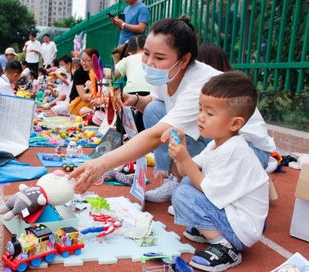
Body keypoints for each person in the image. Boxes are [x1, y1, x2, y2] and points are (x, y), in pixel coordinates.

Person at [70, 17, 275, 201]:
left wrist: (101, 164)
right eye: (146, 54)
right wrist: (133, 99)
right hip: (218, 143)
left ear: (184, 59)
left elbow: (155, 136)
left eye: (159, 58)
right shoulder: (166, 74)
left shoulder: (199, 84)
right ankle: (176, 180)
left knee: (189, 189)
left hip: (247, 152)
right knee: (154, 109)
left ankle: (222, 185)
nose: (149, 63)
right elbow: (155, 103)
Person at [170, 72, 268, 272]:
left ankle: (226, 247)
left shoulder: (235, 151)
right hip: (230, 214)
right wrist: (182, 149)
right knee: (187, 184)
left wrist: (186, 160)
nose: (200, 117)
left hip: (241, 229)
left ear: (235, 123)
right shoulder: (217, 144)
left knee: (183, 194)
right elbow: (184, 171)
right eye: (200, 109)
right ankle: (209, 230)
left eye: (210, 113)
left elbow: (208, 190)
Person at [114, 34, 151, 132]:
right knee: (144, 129)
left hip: (130, 94)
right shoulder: (152, 58)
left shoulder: (127, 59)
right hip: (150, 96)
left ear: (129, 52)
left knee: (124, 130)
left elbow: (113, 73)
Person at [67, 48, 99, 116]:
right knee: (84, 111)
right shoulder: (79, 73)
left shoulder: (99, 73)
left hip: (94, 101)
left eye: (87, 60)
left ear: (95, 61)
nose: (84, 63)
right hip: (78, 104)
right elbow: (83, 96)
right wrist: (99, 98)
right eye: (82, 60)